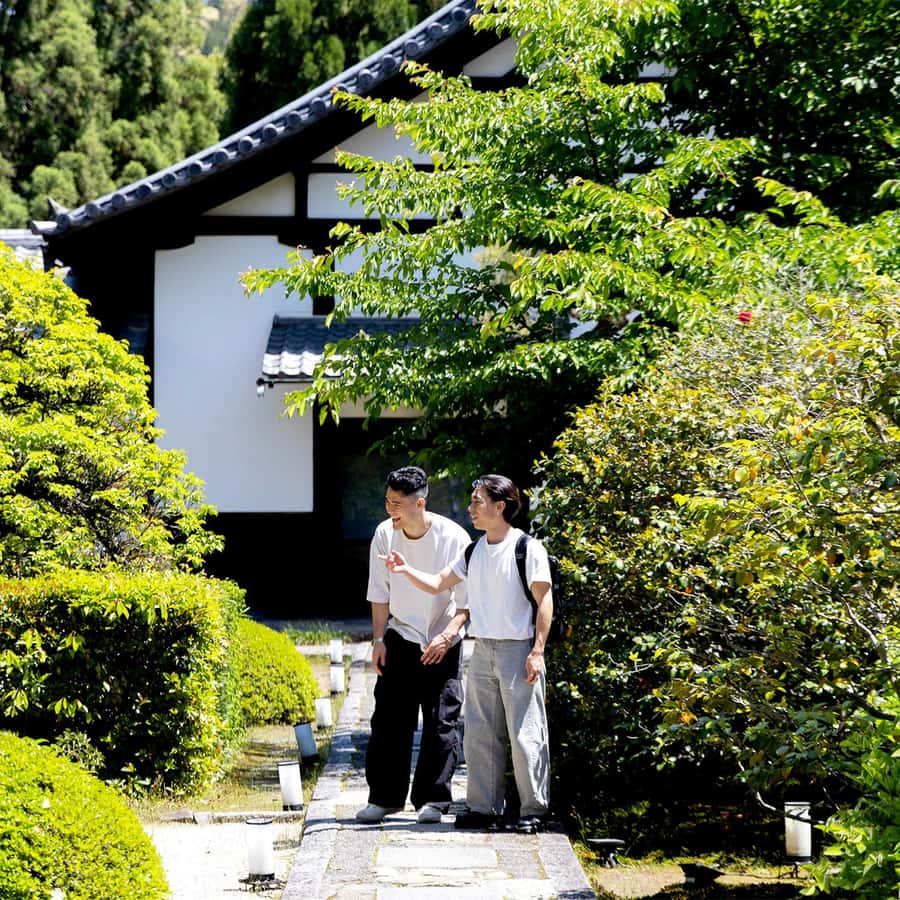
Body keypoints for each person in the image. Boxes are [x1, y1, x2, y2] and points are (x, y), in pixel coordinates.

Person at [381, 473, 553, 834]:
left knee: (525, 732)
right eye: (473, 501)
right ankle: (483, 807)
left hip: (518, 650)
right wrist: (404, 568)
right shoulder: (473, 550)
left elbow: (544, 601)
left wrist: (537, 650)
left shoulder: (526, 548)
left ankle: (533, 809)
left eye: (478, 501)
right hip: (483, 648)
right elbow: (438, 583)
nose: (471, 508)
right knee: (479, 732)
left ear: (500, 506)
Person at [356, 466, 472, 825]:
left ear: (419, 503)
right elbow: (379, 593)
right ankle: (384, 798)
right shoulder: (383, 534)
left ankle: (433, 799)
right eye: (388, 501)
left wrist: (447, 635)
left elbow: (466, 604)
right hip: (401, 634)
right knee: (389, 720)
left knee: (441, 722)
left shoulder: (454, 537)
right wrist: (378, 639)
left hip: (443, 638)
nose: (390, 509)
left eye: (397, 504)